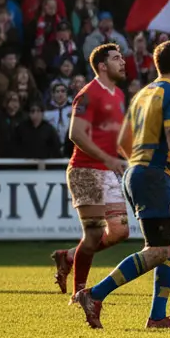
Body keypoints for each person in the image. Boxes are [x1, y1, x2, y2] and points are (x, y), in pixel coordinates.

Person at [71, 40, 170, 330]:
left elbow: (122, 142)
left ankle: (157, 316)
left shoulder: (143, 93)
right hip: (152, 176)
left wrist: (141, 162)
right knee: (157, 250)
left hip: (142, 172)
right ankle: (94, 295)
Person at [50, 44, 130, 296]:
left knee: (119, 232)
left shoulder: (117, 94)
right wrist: (108, 158)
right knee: (94, 233)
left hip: (108, 172)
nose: (123, 62)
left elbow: (116, 136)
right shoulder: (87, 94)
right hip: (85, 171)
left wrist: (131, 160)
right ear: (103, 66)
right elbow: (75, 134)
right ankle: (80, 292)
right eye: (117, 58)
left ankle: (69, 256)